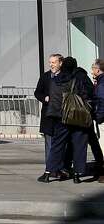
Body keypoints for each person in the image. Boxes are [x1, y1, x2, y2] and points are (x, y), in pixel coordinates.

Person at [41, 56, 94, 184]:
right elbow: (89, 94)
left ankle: (48, 172)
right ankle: (77, 175)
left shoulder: (57, 79)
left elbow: (54, 99)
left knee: (57, 145)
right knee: (79, 146)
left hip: (61, 118)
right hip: (78, 118)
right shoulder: (81, 78)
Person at [34, 53, 63, 181]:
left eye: (54, 62)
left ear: (60, 63)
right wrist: (44, 98)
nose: (51, 65)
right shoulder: (45, 77)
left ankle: (59, 169)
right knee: (49, 144)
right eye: (50, 62)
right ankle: (50, 169)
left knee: (61, 143)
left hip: (62, 115)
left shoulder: (65, 77)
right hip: (48, 115)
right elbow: (37, 92)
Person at [90, 59, 104, 179]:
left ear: (98, 70)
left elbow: (101, 101)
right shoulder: (99, 82)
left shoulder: (101, 84)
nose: (92, 71)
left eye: (93, 68)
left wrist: (98, 117)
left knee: (103, 145)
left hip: (102, 119)